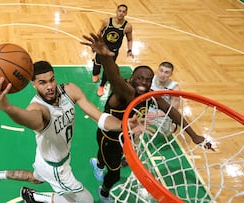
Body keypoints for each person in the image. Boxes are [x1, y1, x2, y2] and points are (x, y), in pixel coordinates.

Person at [0, 60, 143, 203]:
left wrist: (124, 124)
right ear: (33, 84)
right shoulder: (38, 109)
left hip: (45, 157)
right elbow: (27, 118)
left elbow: (100, 118)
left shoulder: (70, 91)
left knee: (35, 178)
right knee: (85, 200)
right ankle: (37, 198)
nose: (50, 86)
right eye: (42, 83)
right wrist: (8, 108)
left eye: (52, 80)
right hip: (55, 168)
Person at [81, 33, 213, 203]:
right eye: (140, 78)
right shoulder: (126, 93)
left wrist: (194, 135)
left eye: (148, 79)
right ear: (131, 79)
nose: (144, 82)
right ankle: (104, 192)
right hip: (111, 139)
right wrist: (106, 57)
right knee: (114, 173)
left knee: (104, 157)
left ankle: (98, 164)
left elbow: (172, 112)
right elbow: (115, 79)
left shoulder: (149, 96)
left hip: (125, 135)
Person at [92, 4, 134, 96]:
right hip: (102, 49)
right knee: (96, 64)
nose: (121, 13)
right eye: (120, 11)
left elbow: (130, 39)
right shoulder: (107, 21)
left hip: (113, 52)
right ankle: (95, 73)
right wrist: (96, 43)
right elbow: (100, 31)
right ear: (116, 11)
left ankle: (102, 85)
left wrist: (130, 50)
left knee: (108, 69)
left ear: (126, 13)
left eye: (123, 12)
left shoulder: (127, 27)